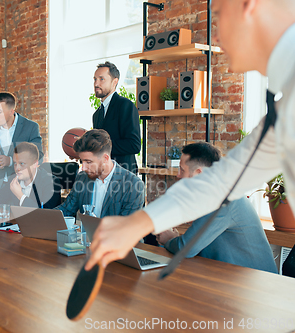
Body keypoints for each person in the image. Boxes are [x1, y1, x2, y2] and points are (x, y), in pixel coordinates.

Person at [86, 0, 295, 271]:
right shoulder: (284, 107)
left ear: (248, 5)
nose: (216, 35)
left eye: (219, 15)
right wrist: (136, 224)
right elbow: (224, 181)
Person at [155, 142, 277, 273]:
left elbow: (187, 248)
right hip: (232, 277)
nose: (178, 175)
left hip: (259, 284)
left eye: (182, 170)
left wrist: (169, 239)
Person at [55, 129, 144, 218]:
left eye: (89, 162)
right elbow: (66, 209)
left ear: (105, 158)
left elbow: (126, 227)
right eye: (82, 162)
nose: (84, 168)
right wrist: (43, 216)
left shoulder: (133, 185)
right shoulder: (82, 177)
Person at [0, 142, 61, 212]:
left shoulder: (51, 182)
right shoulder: (15, 180)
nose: (17, 168)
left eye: (22, 164)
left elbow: (45, 213)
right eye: (15, 163)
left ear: (35, 163)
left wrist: (20, 195)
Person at [92, 61, 141, 174]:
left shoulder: (125, 105)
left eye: (101, 79)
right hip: (103, 175)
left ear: (115, 82)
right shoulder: (97, 114)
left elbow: (134, 145)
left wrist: (100, 146)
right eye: (95, 79)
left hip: (124, 176)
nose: (96, 84)